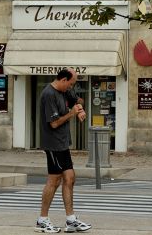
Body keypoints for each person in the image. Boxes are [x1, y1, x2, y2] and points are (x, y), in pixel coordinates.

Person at [36, 68, 91, 233]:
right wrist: (72, 114)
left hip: (63, 143)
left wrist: (80, 110)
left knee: (70, 178)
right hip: (53, 144)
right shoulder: (49, 94)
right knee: (54, 181)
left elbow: (77, 100)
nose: (71, 87)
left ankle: (71, 220)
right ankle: (42, 220)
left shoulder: (64, 90)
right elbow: (53, 123)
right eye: (71, 83)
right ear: (63, 80)